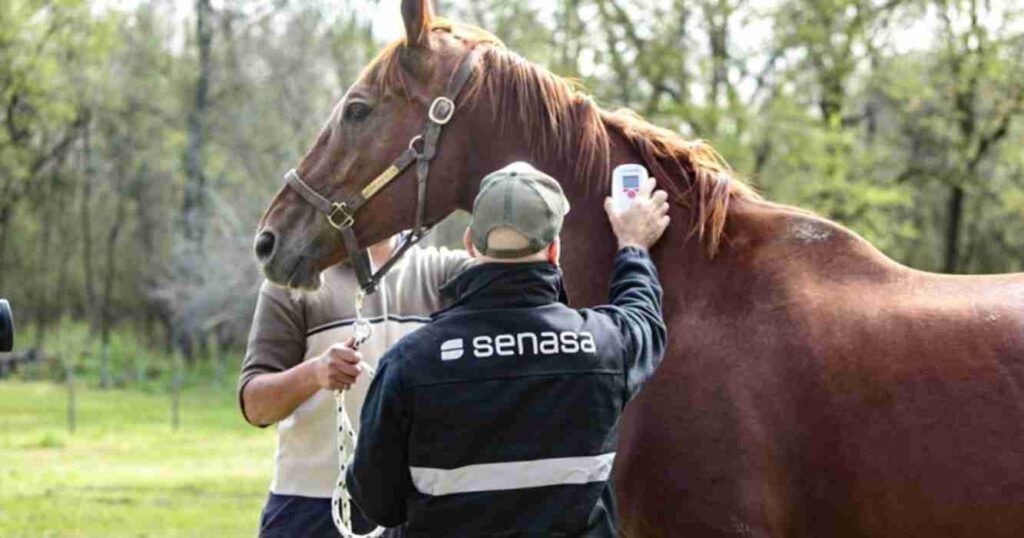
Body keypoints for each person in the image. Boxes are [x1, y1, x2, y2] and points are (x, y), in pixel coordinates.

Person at [346, 162, 671, 536]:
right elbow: (643, 317)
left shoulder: (409, 362)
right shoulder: (606, 345)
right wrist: (633, 247)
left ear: (470, 244)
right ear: (554, 250)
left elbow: (376, 503)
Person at [238, 234, 474, 537]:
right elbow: (256, 407)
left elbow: (526, 272)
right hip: (311, 508)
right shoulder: (294, 280)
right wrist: (315, 373)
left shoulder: (442, 273)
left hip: (416, 511)